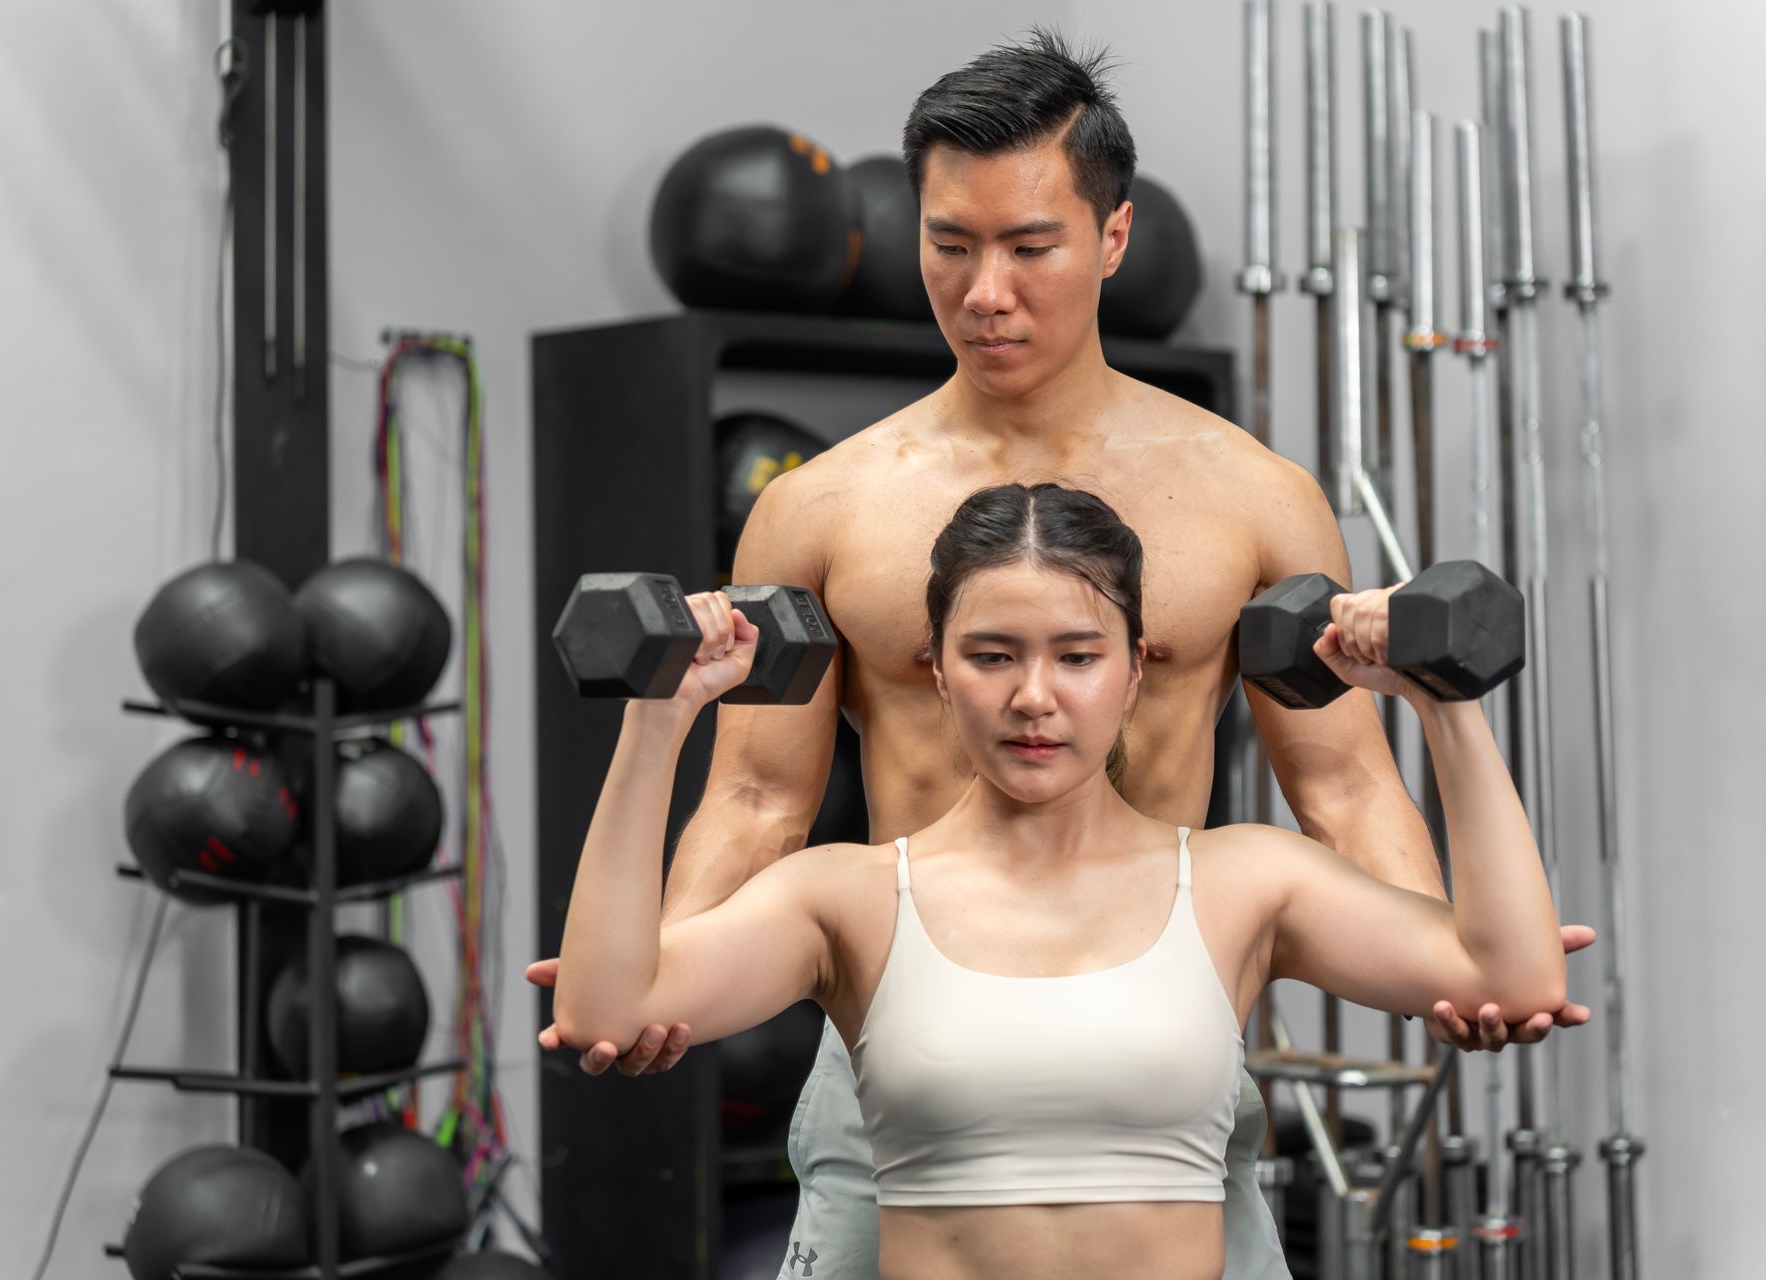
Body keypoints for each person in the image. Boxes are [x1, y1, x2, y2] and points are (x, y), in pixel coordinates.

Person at [530, 29, 1589, 1280]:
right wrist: (658, 969)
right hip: (909, 1075)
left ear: (1115, 238)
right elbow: (761, 793)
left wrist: (1444, 959)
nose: (987, 291)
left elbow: (1344, 780)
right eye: (950, 243)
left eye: (1031, 247)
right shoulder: (822, 506)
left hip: (1160, 1080)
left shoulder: (1251, 495)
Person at [550, 483, 1568, 1280]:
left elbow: (1510, 976)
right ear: (939, 671)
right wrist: (660, 716)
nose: (1034, 696)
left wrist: (1444, 706)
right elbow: (608, 1005)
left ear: (1137, 670)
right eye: (991, 654)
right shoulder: (848, 897)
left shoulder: (1243, 880)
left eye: (1078, 654)